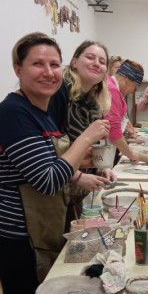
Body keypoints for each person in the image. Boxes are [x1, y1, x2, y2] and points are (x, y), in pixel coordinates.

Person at [0, 32, 110, 294]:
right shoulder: (13, 113)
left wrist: (79, 175)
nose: (48, 72)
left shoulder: (42, 110)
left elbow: (47, 162)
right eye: (38, 64)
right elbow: (48, 180)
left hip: (35, 228)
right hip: (13, 234)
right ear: (18, 69)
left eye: (53, 64)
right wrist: (87, 138)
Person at [49, 40, 117, 228]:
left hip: (73, 195)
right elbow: (51, 150)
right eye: (90, 57)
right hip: (56, 192)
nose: (96, 63)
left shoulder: (93, 102)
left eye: (102, 61)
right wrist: (78, 176)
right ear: (74, 62)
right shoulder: (60, 93)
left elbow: (86, 149)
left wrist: (101, 167)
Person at [105, 59, 148, 164]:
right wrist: (130, 153)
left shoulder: (112, 86)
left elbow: (121, 117)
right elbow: (114, 130)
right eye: (134, 87)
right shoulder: (111, 89)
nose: (132, 91)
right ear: (126, 79)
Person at [107, 56, 138, 139]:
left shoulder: (118, 89)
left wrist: (132, 131)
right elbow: (114, 126)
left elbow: (123, 116)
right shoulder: (111, 88)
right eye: (117, 68)